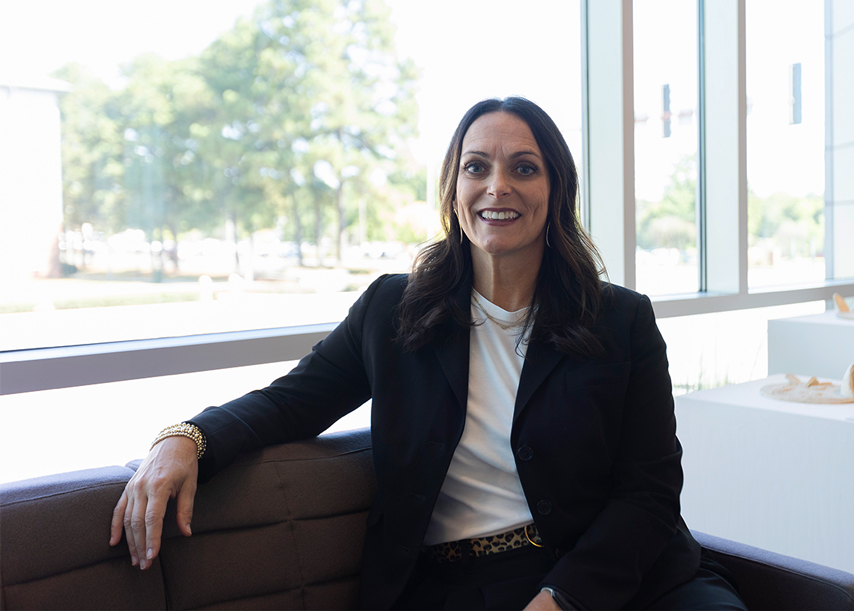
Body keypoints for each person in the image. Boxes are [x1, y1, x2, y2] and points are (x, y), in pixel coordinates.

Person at [110, 97, 746, 611]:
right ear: (454, 187)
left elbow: (651, 491)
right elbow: (290, 402)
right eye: (477, 167)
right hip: (456, 587)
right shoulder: (394, 311)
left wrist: (564, 599)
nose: (498, 186)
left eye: (524, 167)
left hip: (616, 578)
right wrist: (184, 439)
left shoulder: (619, 319)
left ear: (555, 190)